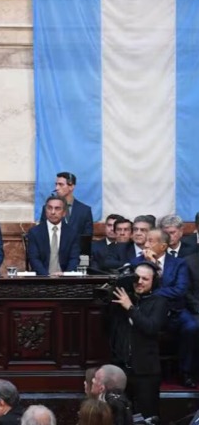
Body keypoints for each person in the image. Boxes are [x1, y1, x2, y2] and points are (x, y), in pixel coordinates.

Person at [131, 229, 197, 387]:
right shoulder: (136, 262)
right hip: (148, 310)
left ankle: (186, 372)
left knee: (192, 327)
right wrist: (150, 264)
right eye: (146, 240)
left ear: (163, 246)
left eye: (151, 241)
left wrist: (155, 291)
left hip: (174, 310)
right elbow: (136, 288)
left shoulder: (179, 263)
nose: (146, 244)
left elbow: (180, 290)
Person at [106, 262, 166, 418]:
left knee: (148, 416)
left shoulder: (159, 301)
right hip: (121, 369)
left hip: (146, 371)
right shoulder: (122, 300)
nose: (139, 282)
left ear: (154, 281)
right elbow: (107, 326)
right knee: (120, 416)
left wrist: (130, 308)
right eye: (136, 277)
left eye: (145, 279)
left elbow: (151, 327)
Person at [27, 196, 80, 276]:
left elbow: (74, 259)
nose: (52, 212)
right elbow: (34, 259)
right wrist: (47, 276)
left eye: (57, 208)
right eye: (49, 208)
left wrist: (65, 276)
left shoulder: (72, 233)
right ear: (45, 211)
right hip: (42, 278)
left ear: (64, 213)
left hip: (65, 279)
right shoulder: (35, 232)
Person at [38, 172, 93, 239]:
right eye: (56, 184)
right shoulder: (47, 208)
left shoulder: (85, 211)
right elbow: (42, 234)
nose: (57, 188)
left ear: (71, 187)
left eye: (61, 184)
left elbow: (87, 238)